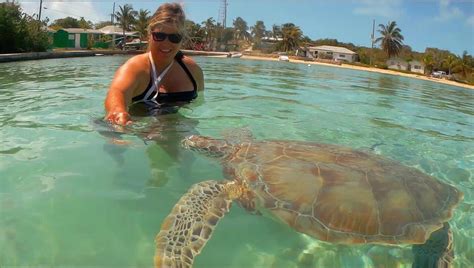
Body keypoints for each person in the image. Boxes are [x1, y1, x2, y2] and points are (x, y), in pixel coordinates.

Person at [104, 2, 204, 126]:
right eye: (159, 35)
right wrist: (118, 111)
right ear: (149, 35)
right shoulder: (136, 68)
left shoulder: (193, 72)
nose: (166, 43)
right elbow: (117, 91)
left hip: (180, 128)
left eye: (174, 37)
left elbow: (200, 104)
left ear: (182, 39)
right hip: (141, 130)